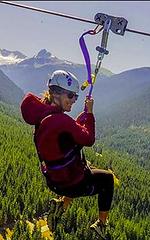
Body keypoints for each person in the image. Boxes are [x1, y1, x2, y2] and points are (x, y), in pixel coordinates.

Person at [20, 70, 115, 238]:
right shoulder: (60, 120)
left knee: (85, 166)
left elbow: (67, 132)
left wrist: (82, 117)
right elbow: (88, 139)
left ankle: (61, 205)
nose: (73, 100)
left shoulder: (44, 116)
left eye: (76, 97)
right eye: (71, 96)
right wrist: (90, 114)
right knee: (107, 179)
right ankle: (101, 224)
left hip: (54, 181)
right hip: (71, 185)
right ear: (55, 94)